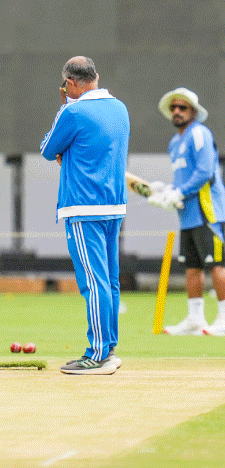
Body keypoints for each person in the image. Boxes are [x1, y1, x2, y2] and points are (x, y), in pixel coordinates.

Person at [41, 56, 129, 375]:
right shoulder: (120, 107)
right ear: (96, 76)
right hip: (114, 204)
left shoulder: (73, 110)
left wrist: (63, 107)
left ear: (71, 84)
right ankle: (110, 348)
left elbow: (48, 149)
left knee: (92, 282)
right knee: (109, 281)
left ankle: (98, 354)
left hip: (82, 205)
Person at [147, 88, 225, 336]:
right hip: (187, 216)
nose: (177, 111)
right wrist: (167, 190)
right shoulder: (174, 142)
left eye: (183, 107)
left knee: (217, 265)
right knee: (192, 267)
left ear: (193, 111)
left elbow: (204, 173)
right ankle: (195, 319)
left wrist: (179, 193)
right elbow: (184, 177)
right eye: (174, 108)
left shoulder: (199, 134)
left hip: (207, 212)